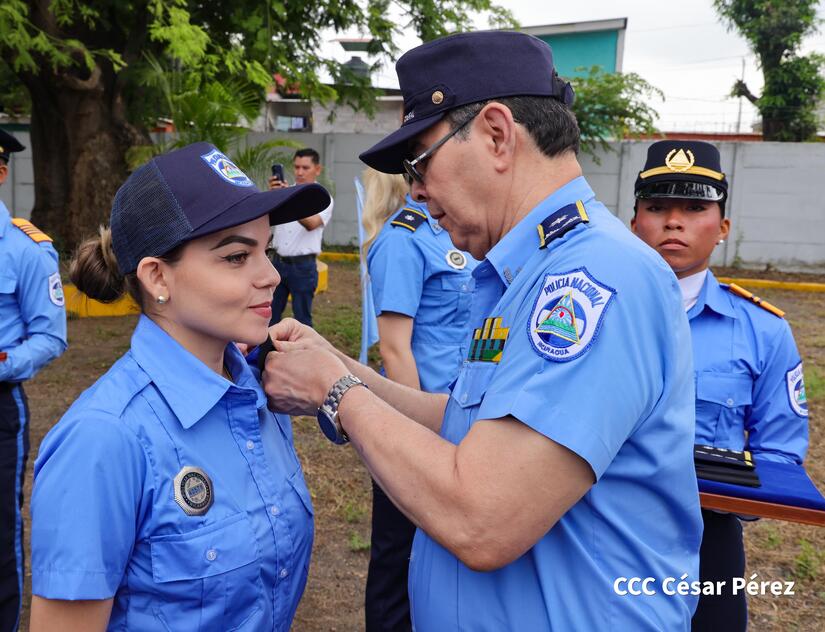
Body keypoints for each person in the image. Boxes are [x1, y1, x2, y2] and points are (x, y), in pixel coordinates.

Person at [260, 31, 703, 630]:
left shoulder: (591, 278)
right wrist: (339, 369)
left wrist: (336, 396)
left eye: (420, 161)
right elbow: (463, 425)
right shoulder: (526, 270)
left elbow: (483, 519)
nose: (415, 189)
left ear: (496, 134)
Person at [29, 142, 330, 631]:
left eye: (267, 250)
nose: (271, 276)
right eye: (237, 257)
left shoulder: (258, 393)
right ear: (157, 277)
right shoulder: (102, 440)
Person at [630, 139, 809, 631]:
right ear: (634, 224)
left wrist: (723, 492)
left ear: (723, 227)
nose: (673, 221)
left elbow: (779, 452)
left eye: (694, 207)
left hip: (708, 535)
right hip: (600, 522)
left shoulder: (763, 331)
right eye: (657, 206)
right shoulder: (594, 315)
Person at [360, 168, 476, 631]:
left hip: (462, 417)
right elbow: (393, 347)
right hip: (420, 422)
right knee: (398, 554)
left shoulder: (459, 230)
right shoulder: (403, 239)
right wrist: (418, 433)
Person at [0, 128, 67, 632]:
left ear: (1, 171)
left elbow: (50, 337)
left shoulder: (26, 249)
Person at [267, 148, 333, 327]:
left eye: (305, 167)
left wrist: (289, 201)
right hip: (277, 264)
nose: (300, 172)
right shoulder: (285, 192)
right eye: (296, 167)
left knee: (302, 320)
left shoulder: (322, 197)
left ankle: (302, 355)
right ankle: (265, 354)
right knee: (268, 318)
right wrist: (272, 197)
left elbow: (312, 224)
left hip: (303, 267)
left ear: (317, 169)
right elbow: (267, 219)